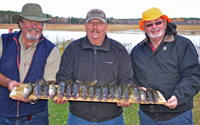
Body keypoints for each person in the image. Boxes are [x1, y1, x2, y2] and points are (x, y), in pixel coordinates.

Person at [54, 9, 134, 125]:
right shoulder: (73, 49)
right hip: (79, 117)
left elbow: (126, 79)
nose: (95, 27)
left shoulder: (119, 50)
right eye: (91, 23)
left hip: (112, 118)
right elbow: (63, 77)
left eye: (99, 23)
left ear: (105, 27)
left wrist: (126, 96)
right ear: (85, 26)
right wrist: (61, 92)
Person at [130, 7, 200, 125]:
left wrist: (178, 97)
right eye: (149, 24)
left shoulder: (183, 45)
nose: (154, 27)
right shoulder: (137, 50)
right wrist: (136, 88)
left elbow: (193, 75)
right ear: (143, 28)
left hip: (178, 116)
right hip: (147, 116)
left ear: (166, 23)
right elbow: (130, 76)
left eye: (158, 22)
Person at [0, 3, 60, 125]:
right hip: (2, 113)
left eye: (38, 22)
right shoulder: (3, 41)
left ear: (42, 26)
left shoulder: (51, 50)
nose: (34, 26)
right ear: (20, 24)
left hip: (36, 116)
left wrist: (34, 97)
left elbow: (50, 83)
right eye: (29, 21)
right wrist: (7, 82)